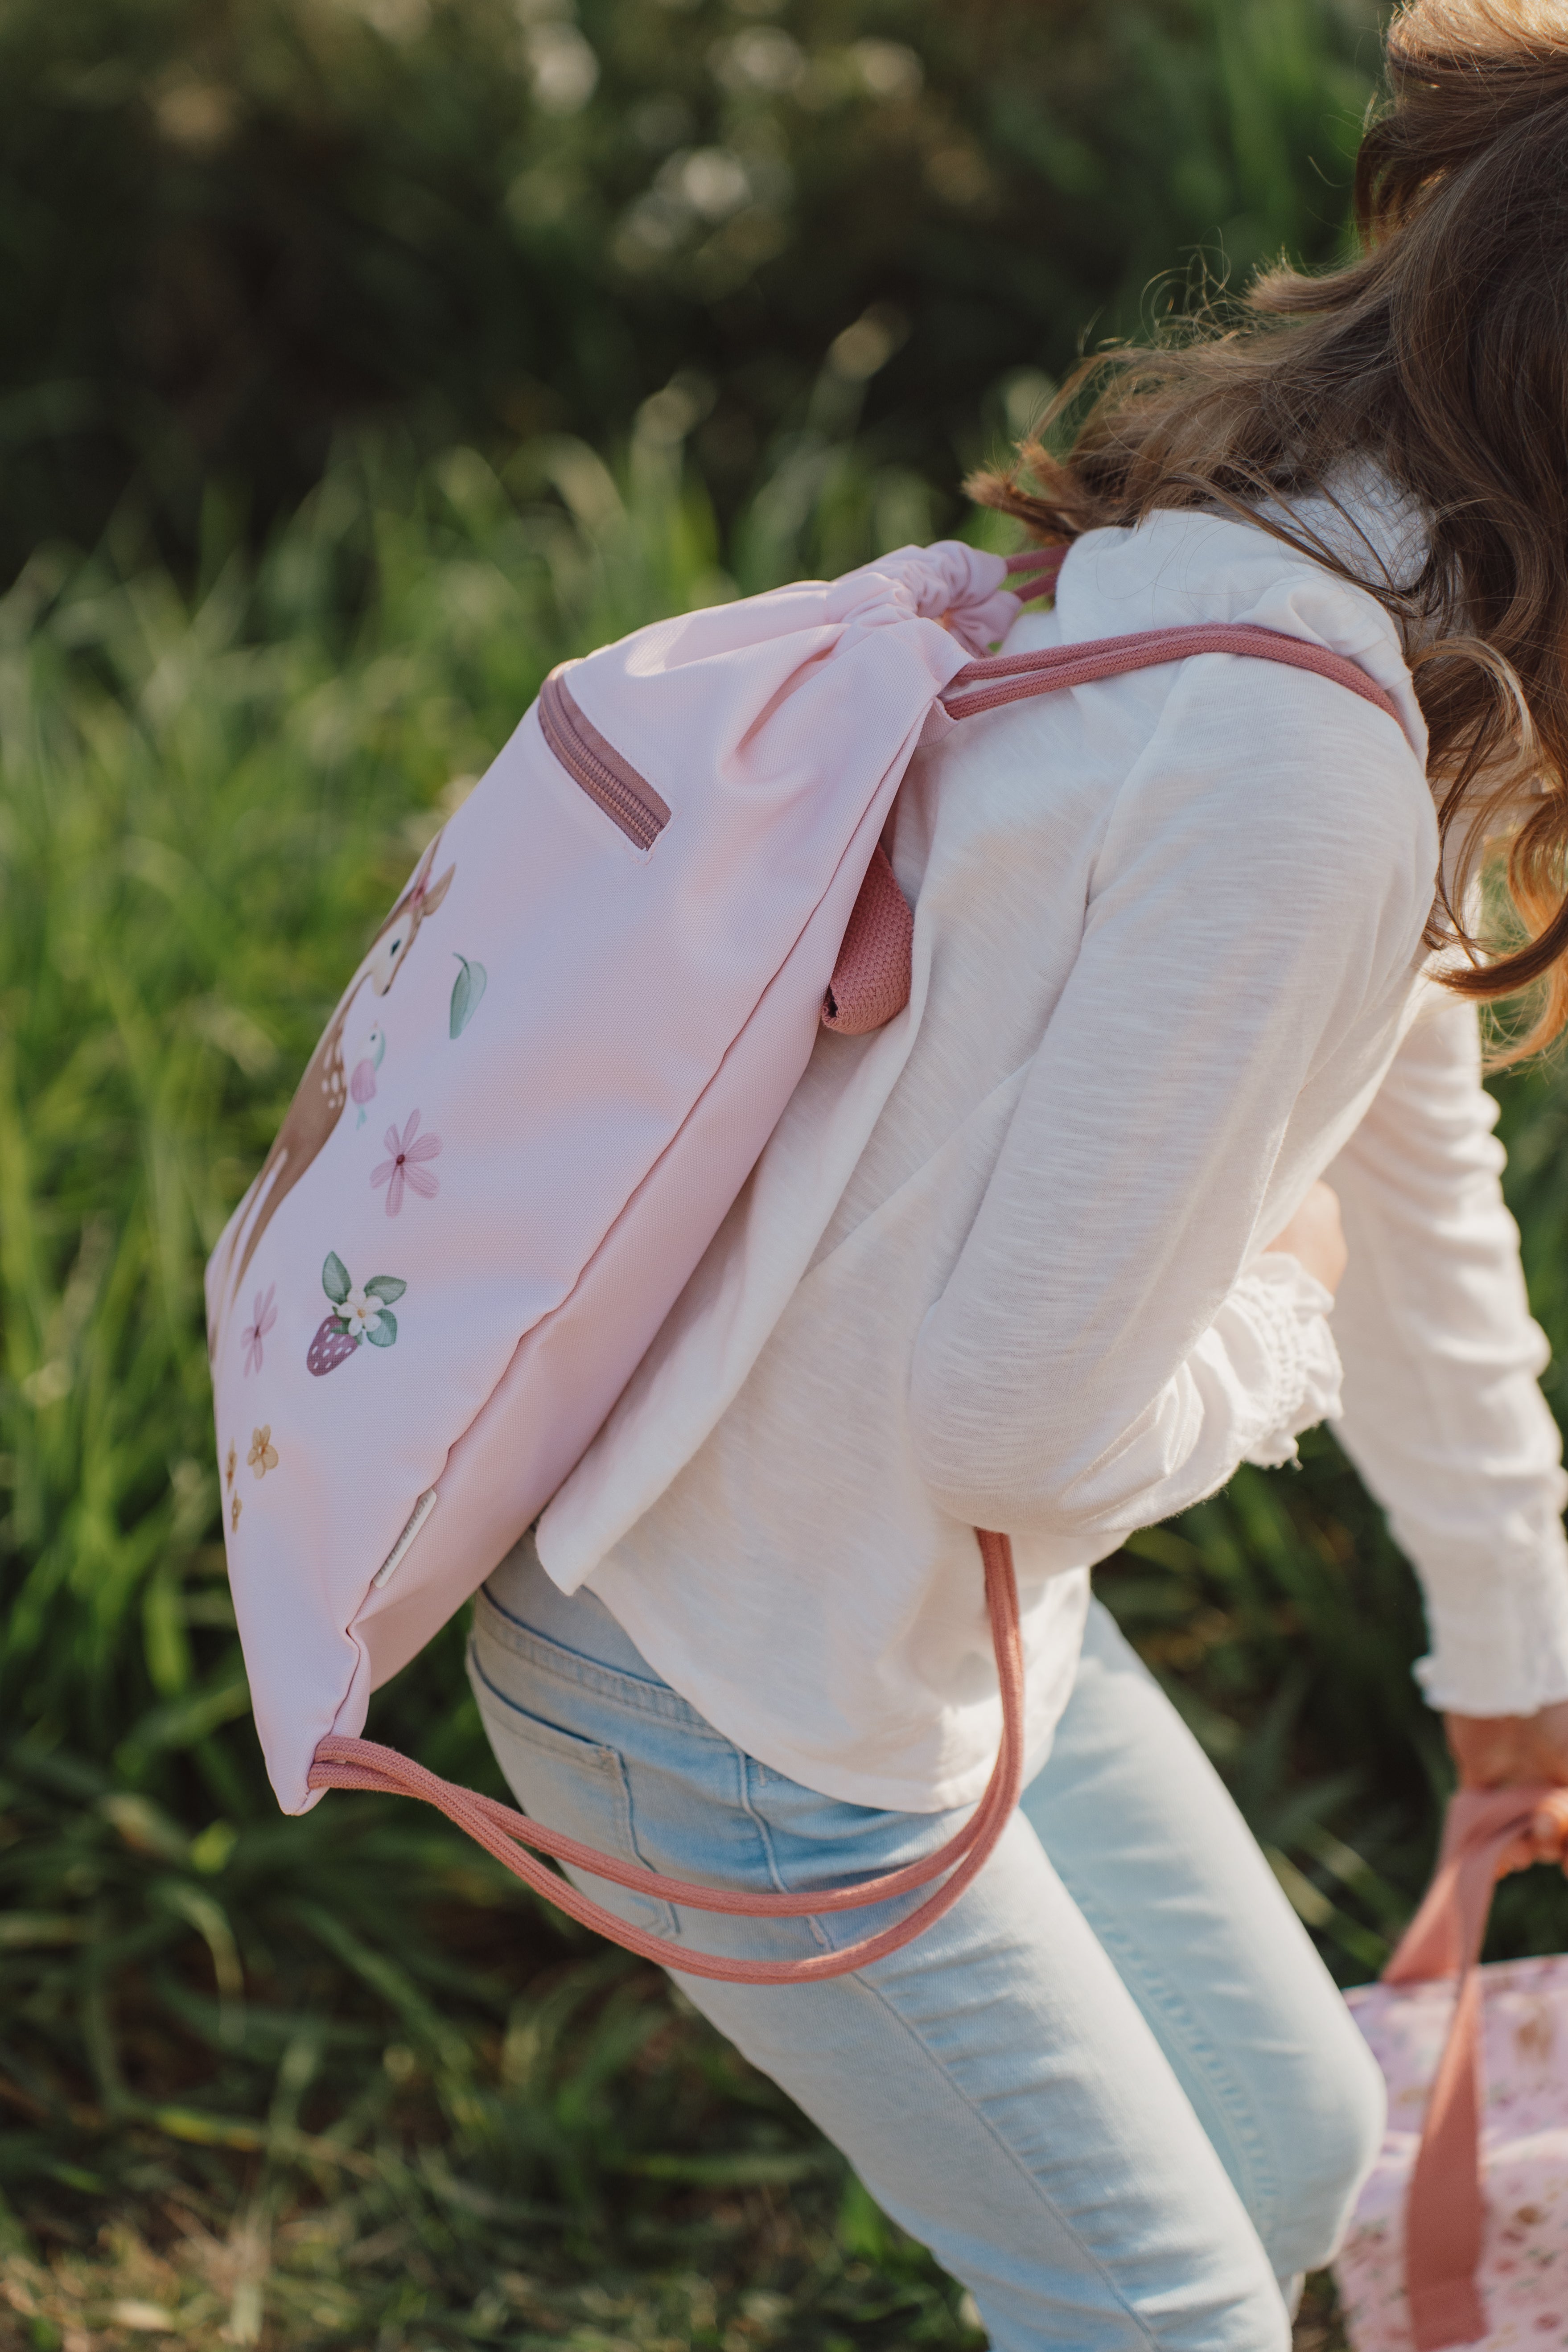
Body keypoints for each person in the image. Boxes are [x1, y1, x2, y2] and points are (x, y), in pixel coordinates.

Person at [469, 4, 1568, 2342]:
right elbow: (1017, 1420)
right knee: (1161, 2312)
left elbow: (1408, 1153)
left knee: (1294, 2153)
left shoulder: (1312, 594)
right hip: (723, 1684)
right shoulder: (1302, 777)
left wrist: (1516, 1644)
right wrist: (1271, 1316)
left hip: (887, 1598)